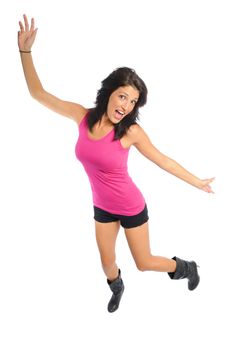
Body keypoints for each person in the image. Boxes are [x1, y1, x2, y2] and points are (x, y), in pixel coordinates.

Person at [18, 14, 214, 313]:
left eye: (133, 101)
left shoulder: (131, 132)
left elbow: (163, 160)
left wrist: (197, 181)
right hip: (102, 206)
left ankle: (186, 267)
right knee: (107, 263)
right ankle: (117, 286)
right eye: (122, 96)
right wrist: (25, 52)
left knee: (144, 263)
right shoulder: (82, 116)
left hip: (131, 206)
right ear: (109, 92)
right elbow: (38, 94)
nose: (125, 105)